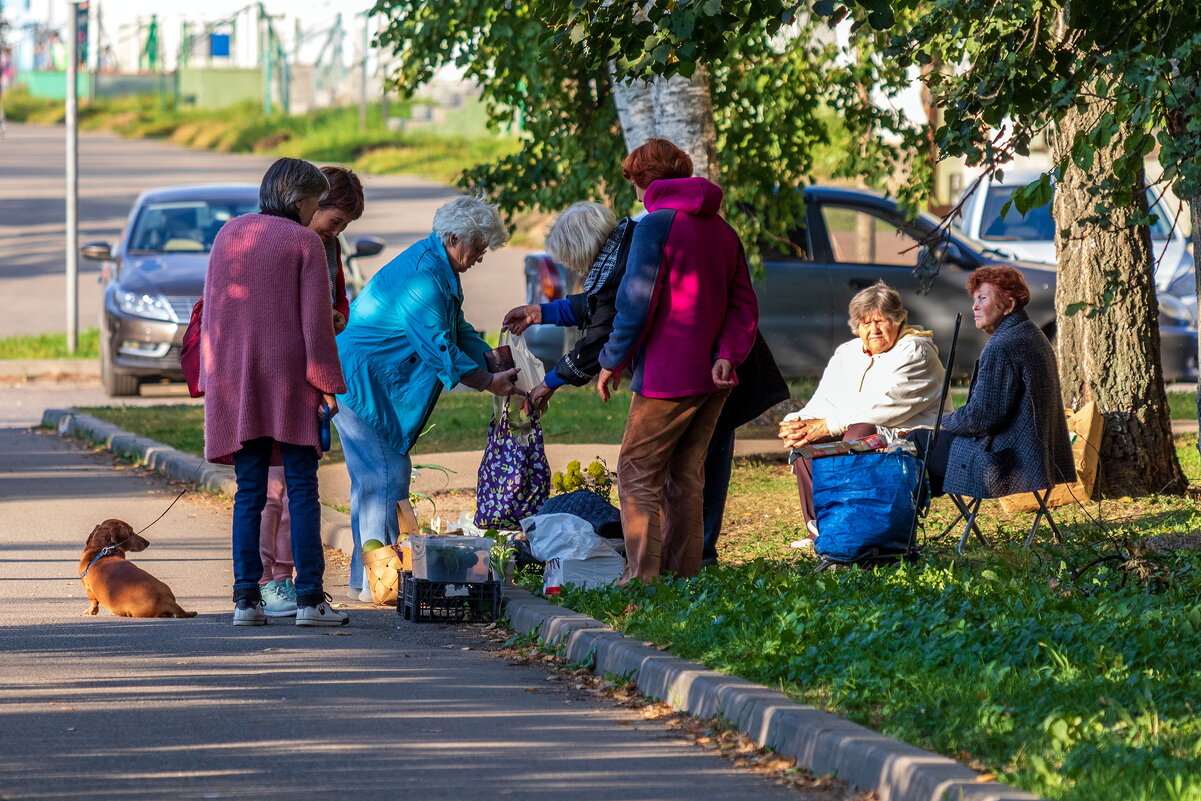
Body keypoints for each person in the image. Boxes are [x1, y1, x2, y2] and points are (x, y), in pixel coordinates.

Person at [335, 196, 522, 599]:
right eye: (478, 247)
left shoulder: (437, 265)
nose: (481, 257)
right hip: (364, 383)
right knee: (385, 477)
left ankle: (365, 579)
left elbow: (457, 327)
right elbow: (438, 346)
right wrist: (489, 382)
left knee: (375, 481)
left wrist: (490, 357)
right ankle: (378, 583)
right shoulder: (425, 274)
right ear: (454, 237)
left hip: (367, 380)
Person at [597, 138, 759, 583]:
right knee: (685, 477)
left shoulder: (655, 226)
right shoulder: (723, 230)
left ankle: (641, 576)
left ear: (646, 181)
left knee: (636, 474)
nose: (633, 190)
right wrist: (728, 354)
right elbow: (744, 304)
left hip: (666, 378)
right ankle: (682, 574)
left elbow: (636, 302)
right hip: (712, 377)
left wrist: (612, 359)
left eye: (634, 181)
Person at [201, 157, 348, 627]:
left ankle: (246, 601)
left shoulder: (229, 234)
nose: (314, 212)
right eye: (314, 203)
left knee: (249, 492)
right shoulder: (304, 241)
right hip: (290, 380)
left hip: (238, 379)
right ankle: (310, 601)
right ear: (301, 201)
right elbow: (316, 322)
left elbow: (213, 311)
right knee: (303, 490)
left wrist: (211, 377)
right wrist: (328, 383)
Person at [258, 166, 366, 617]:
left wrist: (334, 319)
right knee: (274, 488)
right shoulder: (284, 240)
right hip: (280, 375)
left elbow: (335, 299)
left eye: (343, 226)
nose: (336, 231)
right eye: (334, 220)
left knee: (294, 486)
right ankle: (271, 579)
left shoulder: (327, 246)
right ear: (309, 204)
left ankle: (289, 579)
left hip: (310, 373)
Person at [779, 281, 944, 547]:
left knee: (860, 434)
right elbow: (825, 400)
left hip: (911, 441)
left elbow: (882, 407)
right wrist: (797, 423)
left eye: (882, 321)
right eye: (866, 324)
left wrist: (827, 425)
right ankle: (823, 528)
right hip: (864, 431)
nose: (874, 330)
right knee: (806, 443)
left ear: (898, 320)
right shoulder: (848, 353)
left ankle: (860, 525)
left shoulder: (916, 351)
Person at [936, 266, 1074, 498]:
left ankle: (905, 527)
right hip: (1039, 456)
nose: (975, 306)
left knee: (915, 445)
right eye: (974, 299)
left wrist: (943, 421)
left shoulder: (1004, 346)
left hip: (1009, 460)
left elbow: (982, 417)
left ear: (1009, 305)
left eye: (983, 298)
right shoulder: (1031, 334)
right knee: (924, 443)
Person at [501, 201, 637, 412]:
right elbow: (595, 305)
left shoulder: (614, 275)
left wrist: (550, 382)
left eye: (568, 258)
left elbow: (597, 340)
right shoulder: (620, 253)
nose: (569, 265)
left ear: (579, 249)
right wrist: (540, 312)